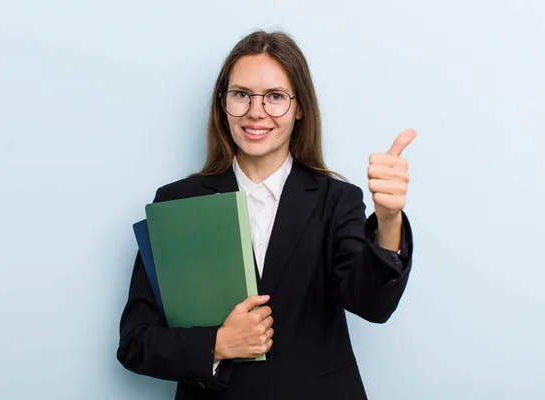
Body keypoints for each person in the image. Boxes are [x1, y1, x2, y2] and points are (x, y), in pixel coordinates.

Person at [116, 30, 415, 400]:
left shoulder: (336, 200)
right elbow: (135, 341)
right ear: (223, 103)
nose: (256, 112)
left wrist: (388, 221)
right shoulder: (176, 202)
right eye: (241, 95)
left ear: (300, 106)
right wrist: (218, 344)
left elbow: (373, 304)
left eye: (275, 97)